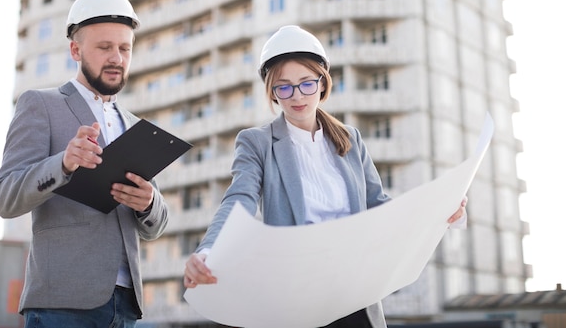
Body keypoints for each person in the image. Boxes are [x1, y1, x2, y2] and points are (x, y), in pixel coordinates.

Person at [183, 25, 467, 328]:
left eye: (306, 83)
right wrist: (209, 250)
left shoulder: (350, 138)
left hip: (357, 291)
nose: (296, 96)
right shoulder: (257, 142)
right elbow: (239, 199)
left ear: (323, 83)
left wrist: (439, 209)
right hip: (300, 295)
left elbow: (379, 205)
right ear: (272, 92)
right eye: (284, 87)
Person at [0, 0, 169, 328]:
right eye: (104, 47)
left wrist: (148, 202)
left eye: (124, 48)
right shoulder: (40, 105)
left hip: (126, 306)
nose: (117, 58)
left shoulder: (135, 126)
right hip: (62, 304)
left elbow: (155, 226)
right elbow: (4, 197)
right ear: (75, 49)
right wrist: (64, 164)